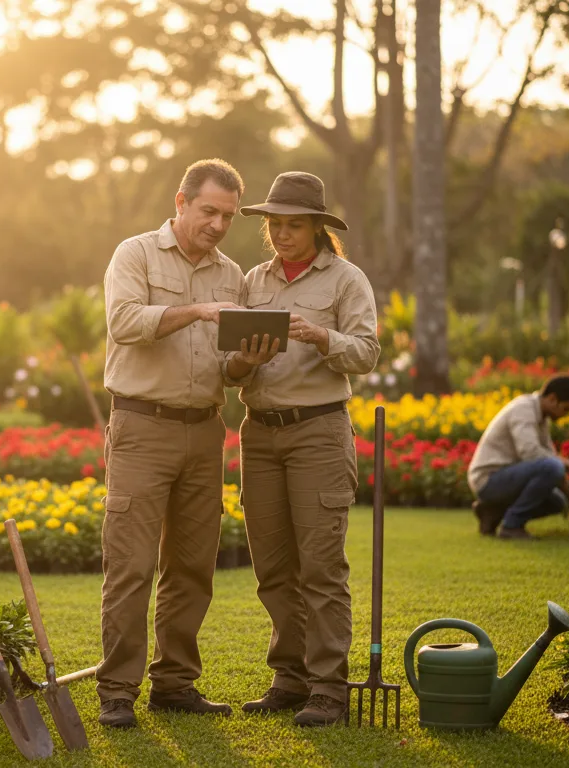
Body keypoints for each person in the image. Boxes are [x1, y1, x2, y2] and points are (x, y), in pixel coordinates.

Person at [95, 158, 253, 728]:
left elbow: (227, 367)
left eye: (228, 216)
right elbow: (126, 323)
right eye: (209, 210)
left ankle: (175, 684)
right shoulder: (134, 254)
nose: (217, 224)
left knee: (192, 566)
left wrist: (247, 358)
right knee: (131, 565)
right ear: (182, 202)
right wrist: (199, 310)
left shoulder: (232, 275)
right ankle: (117, 691)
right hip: (141, 428)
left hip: (205, 430)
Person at [224, 171, 381, 727]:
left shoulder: (345, 280)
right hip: (259, 433)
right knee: (272, 568)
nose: (283, 234)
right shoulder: (251, 281)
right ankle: (289, 679)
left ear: (317, 227)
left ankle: (328, 690)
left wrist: (322, 337)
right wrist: (245, 360)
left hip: (318, 431)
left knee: (320, 567)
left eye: (294, 225)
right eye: (276, 225)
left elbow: (366, 353)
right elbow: (229, 366)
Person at [467, 375, 569, 539]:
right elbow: (530, 452)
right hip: (488, 480)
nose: (565, 415)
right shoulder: (523, 409)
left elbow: (549, 456)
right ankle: (511, 526)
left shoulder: (541, 417)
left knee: (557, 502)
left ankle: (492, 512)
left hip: (507, 478)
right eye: (566, 409)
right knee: (553, 467)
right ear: (552, 399)